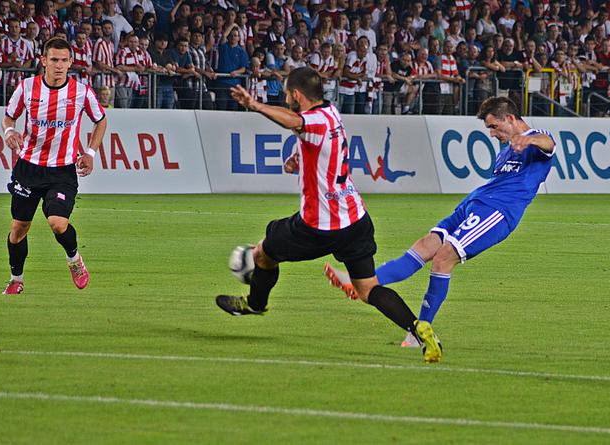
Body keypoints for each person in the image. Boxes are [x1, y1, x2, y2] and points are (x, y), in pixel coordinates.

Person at [215, 67, 442, 364]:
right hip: (355, 219)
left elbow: (294, 121)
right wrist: (302, 158)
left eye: (287, 95)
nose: (285, 99)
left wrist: (254, 105)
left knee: (262, 253)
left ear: (297, 95)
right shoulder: (331, 113)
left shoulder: (313, 121)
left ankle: (256, 304)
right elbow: (316, 140)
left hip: (319, 225)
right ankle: (418, 328)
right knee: (368, 289)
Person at [325, 96, 556, 353]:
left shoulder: (536, 138)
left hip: (498, 213)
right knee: (426, 245)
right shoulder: (506, 150)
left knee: (443, 259)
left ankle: (421, 329)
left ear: (510, 118)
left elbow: (549, 144)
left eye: (494, 127)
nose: (492, 133)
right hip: (475, 202)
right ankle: (364, 282)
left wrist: (530, 139)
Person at [1, 37, 107, 295]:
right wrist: (10, 132)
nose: (59, 66)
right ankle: (16, 280)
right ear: (43, 61)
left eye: (64, 60)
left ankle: (74, 259)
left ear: (71, 62)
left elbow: (101, 121)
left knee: (58, 222)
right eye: (54, 60)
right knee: (18, 230)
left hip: (62, 171)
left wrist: (91, 153)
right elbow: (8, 117)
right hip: (28, 168)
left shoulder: (82, 93)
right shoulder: (27, 88)